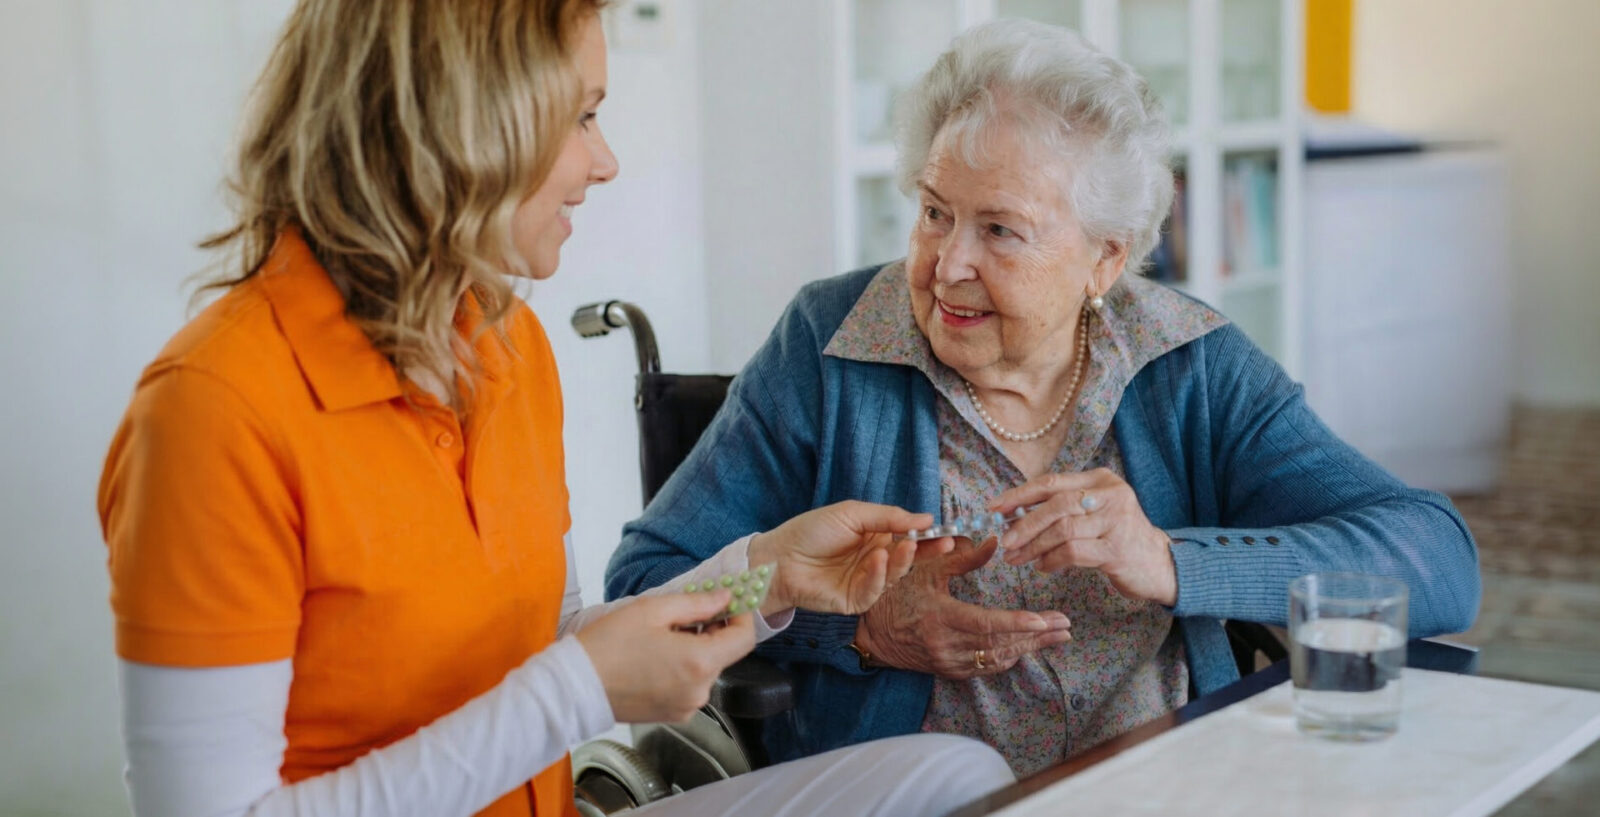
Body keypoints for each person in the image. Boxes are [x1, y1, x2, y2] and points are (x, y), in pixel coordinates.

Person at [96, 2, 1016, 815]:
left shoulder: (506, 348)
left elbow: (558, 644)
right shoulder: (214, 412)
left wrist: (766, 578)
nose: (605, 161)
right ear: (461, 121)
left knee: (960, 774)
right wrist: (577, 692)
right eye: (582, 116)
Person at [605, 18, 1481, 776]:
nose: (948, 263)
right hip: (913, 793)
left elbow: (1439, 561)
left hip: (1169, 782)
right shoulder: (828, 346)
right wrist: (860, 628)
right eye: (935, 212)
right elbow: (647, 584)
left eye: (1000, 230)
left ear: (1106, 257)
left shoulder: (1189, 364)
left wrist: (1171, 560)